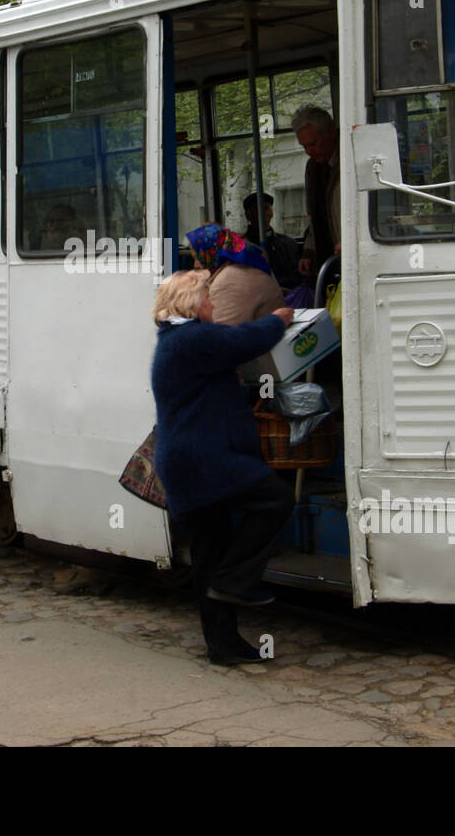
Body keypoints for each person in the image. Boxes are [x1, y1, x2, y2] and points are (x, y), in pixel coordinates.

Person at [151, 270, 295, 666]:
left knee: (209, 554)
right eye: (209, 300)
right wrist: (279, 319)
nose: (214, 306)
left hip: (189, 462)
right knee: (276, 499)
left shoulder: (175, 341)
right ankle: (235, 582)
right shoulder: (193, 338)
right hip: (203, 461)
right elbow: (246, 340)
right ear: (194, 303)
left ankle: (223, 644)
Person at [186, 224, 285, 327]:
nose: (195, 265)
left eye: (197, 258)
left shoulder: (229, 280)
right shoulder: (246, 263)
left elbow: (220, 334)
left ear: (210, 253)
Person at [293, 106, 339, 280]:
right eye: (304, 146)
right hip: (326, 259)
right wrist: (309, 252)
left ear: (331, 133)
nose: (308, 152)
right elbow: (315, 216)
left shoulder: (349, 159)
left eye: (313, 144)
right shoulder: (313, 168)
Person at [242, 192, 302, 290]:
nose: (263, 213)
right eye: (257, 209)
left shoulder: (288, 243)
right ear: (248, 215)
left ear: (272, 213)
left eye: (266, 208)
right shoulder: (243, 246)